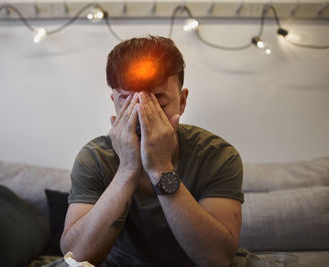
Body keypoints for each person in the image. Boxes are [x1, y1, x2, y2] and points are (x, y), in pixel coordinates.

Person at [60, 36, 244, 267]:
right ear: (114, 100)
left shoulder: (217, 155)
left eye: (158, 102)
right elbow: (75, 257)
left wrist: (160, 168)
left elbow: (217, 259)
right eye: (127, 101)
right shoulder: (95, 157)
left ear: (183, 101)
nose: (141, 115)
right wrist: (128, 168)